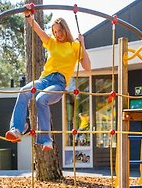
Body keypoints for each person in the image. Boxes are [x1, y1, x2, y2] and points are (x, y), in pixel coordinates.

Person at [5, 4, 91, 151]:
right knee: (24, 91)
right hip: (44, 79)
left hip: (58, 83)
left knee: (41, 99)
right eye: (55, 31)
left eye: (59, 31)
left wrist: (82, 44)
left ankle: (46, 140)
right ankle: (17, 129)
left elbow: (87, 67)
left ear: (65, 29)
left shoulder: (75, 46)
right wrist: (28, 16)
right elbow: (37, 30)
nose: (57, 34)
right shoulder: (52, 43)